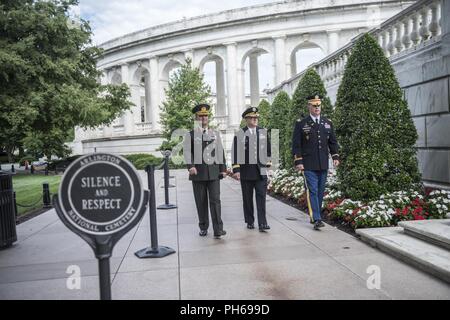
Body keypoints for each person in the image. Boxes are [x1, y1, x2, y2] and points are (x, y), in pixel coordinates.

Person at [292, 94, 340, 230]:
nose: (317, 108)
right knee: (312, 190)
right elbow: (296, 145)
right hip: (308, 164)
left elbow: (333, 142)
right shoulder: (301, 124)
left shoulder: (327, 123)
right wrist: (298, 161)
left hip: (323, 163)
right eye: (314, 105)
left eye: (318, 105)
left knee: (320, 191)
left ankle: (316, 215)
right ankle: (316, 218)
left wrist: (335, 157)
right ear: (309, 106)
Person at [184, 103, 228, 239]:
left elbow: (220, 151)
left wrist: (223, 169)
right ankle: (203, 226)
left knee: (215, 201)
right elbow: (187, 152)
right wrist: (190, 166)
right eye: (200, 116)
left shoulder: (215, 133)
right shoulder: (190, 134)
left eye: (205, 116)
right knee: (201, 201)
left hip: (214, 173)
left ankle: (218, 229)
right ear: (196, 118)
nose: (203, 118)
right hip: (198, 173)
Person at [232, 107, 272, 232]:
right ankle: (250, 221)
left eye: (256, 117)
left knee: (261, 198)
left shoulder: (263, 132)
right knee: (247, 199)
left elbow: (269, 151)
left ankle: (263, 223)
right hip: (246, 172)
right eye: (252, 118)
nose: (255, 120)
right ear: (246, 119)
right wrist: (236, 170)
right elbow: (235, 153)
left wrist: (270, 167)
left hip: (261, 172)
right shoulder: (240, 134)